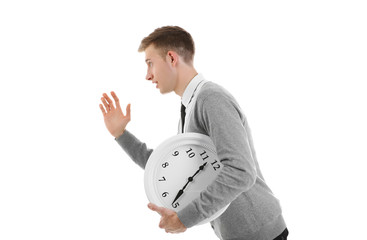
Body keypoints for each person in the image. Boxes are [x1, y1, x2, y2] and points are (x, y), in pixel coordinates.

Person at [99, 26, 288, 240]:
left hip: (259, 232)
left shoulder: (210, 99)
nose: (148, 75)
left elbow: (241, 171)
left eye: (150, 63)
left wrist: (185, 218)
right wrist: (121, 134)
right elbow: (168, 166)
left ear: (171, 58)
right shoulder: (191, 106)